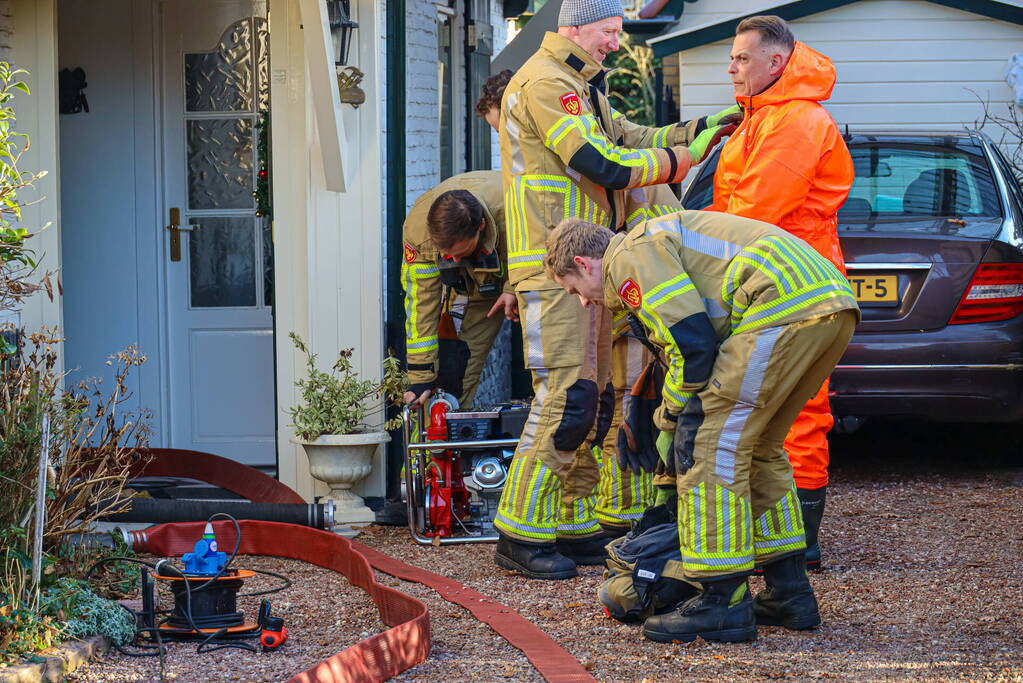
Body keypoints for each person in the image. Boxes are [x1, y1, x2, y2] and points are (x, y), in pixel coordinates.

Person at [492, 0, 738, 580]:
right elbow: (600, 161)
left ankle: (570, 520)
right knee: (565, 399)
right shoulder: (546, 82)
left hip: (588, 266)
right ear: (576, 25)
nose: (615, 43)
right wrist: (680, 162)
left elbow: (635, 136)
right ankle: (518, 532)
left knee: (595, 403)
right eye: (609, 31)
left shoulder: (583, 86)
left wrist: (706, 129)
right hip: (557, 273)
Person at [545, 213, 859, 642]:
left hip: (780, 309)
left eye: (574, 290)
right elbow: (692, 342)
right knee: (760, 448)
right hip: (828, 304)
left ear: (584, 264)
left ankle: (721, 602)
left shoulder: (629, 258)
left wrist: (671, 419)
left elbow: (692, 346)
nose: (583, 301)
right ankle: (790, 592)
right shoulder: (659, 239)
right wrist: (669, 415)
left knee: (711, 447)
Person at [707, 15, 855, 569]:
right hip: (773, 276)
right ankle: (785, 536)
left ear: (776, 62)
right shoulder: (764, 117)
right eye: (732, 58)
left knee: (798, 410)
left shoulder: (794, 122)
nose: (731, 68)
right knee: (780, 406)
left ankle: (798, 542)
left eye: (742, 59)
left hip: (791, 281)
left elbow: (752, 211)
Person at [401, 171, 517, 409]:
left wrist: (513, 288)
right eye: (445, 255)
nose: (451, 259)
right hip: (472, 290)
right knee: (455, 371)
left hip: (529, 278)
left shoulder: (514, 208)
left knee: (550, 362)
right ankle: (440, 443)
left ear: (481, 226)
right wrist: (421, 378)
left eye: (458, 253)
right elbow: (420, 306)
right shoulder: (417, 231)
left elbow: (541, 257)